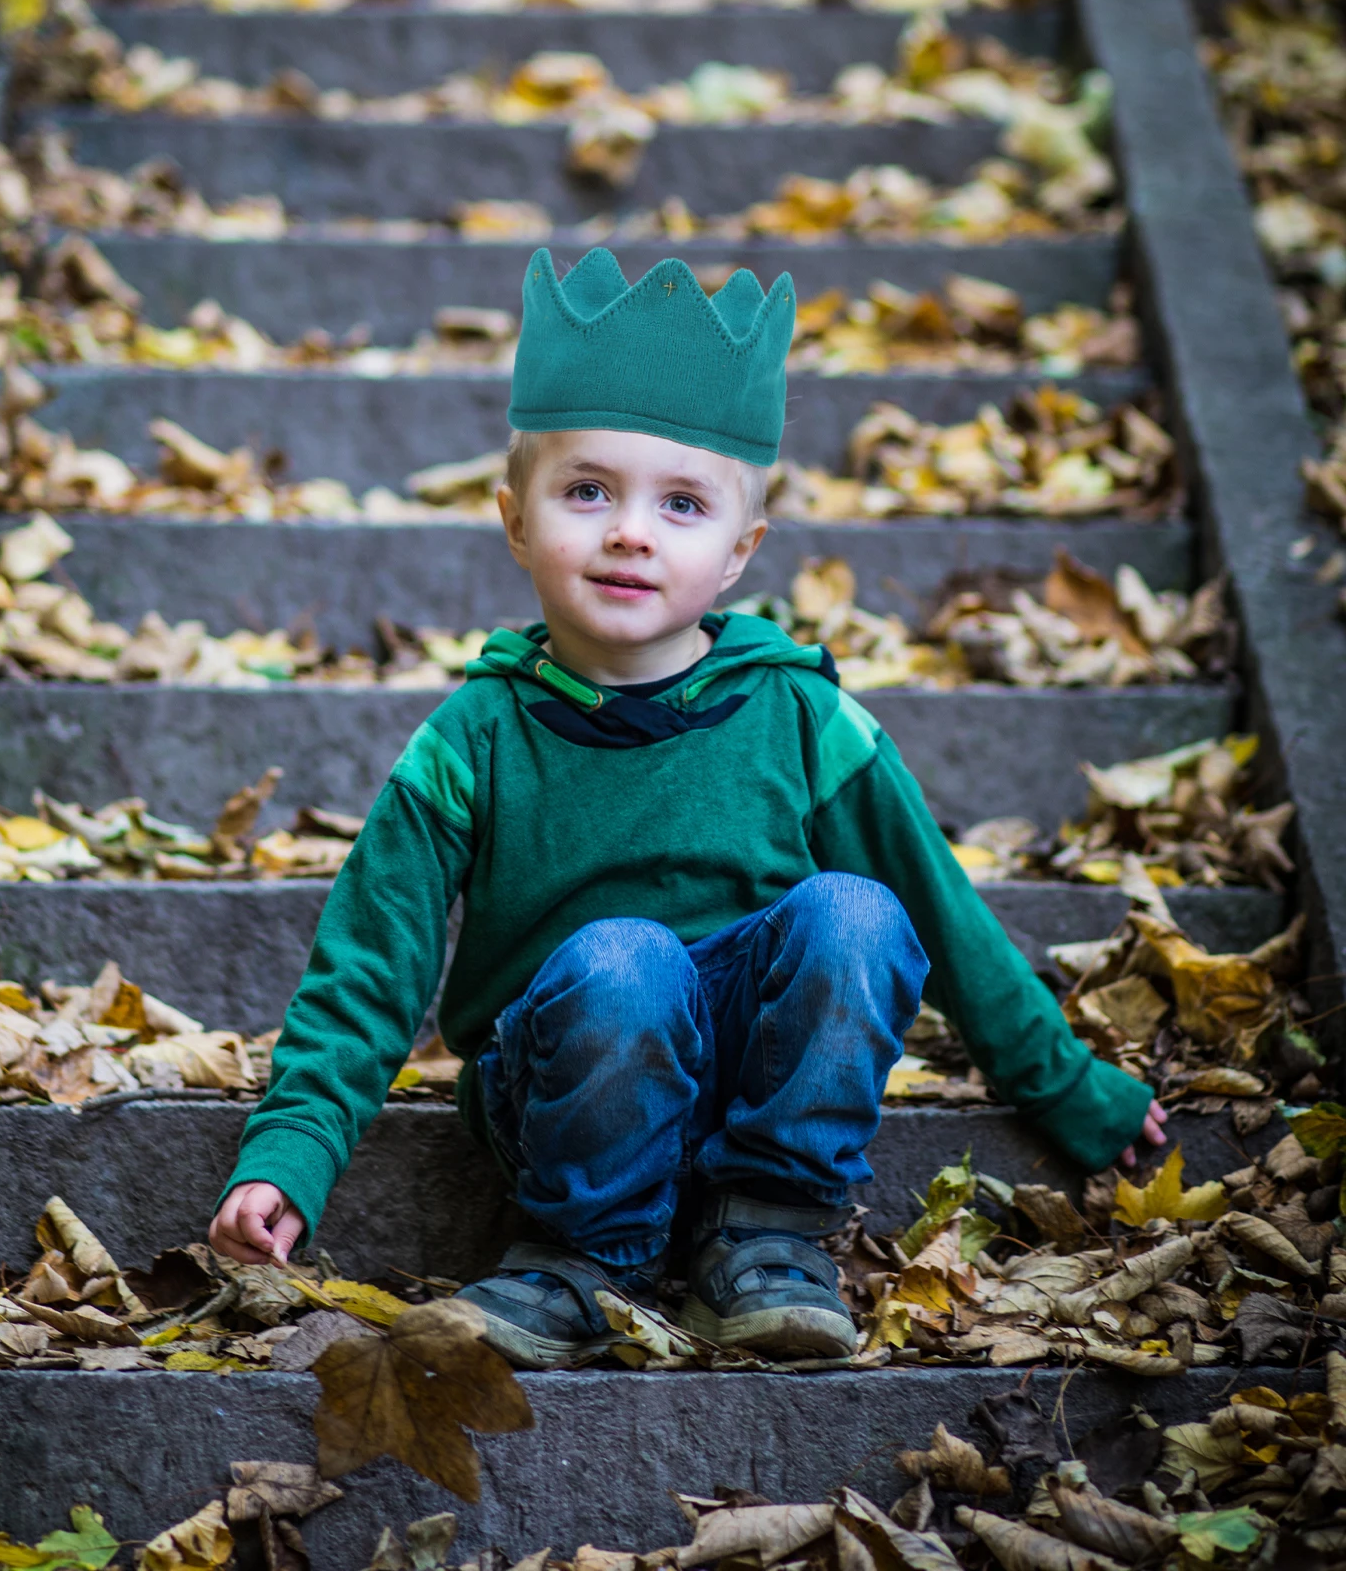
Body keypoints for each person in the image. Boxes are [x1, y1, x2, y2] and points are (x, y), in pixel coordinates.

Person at [208, 248, 1167, 1368]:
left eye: (680, 503)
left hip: (761, 1076)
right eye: (586, 491)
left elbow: (938, 912)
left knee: (855, 914)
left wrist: (1069, 1091)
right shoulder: (473, 738)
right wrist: (291, 1151)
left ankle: (767, 1233)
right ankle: (578, 1254)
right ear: (514, 520)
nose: (629, 530)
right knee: (625, 959)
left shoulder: (800, 714)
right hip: (567, 1082)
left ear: (736, 553)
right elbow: (370, 963)